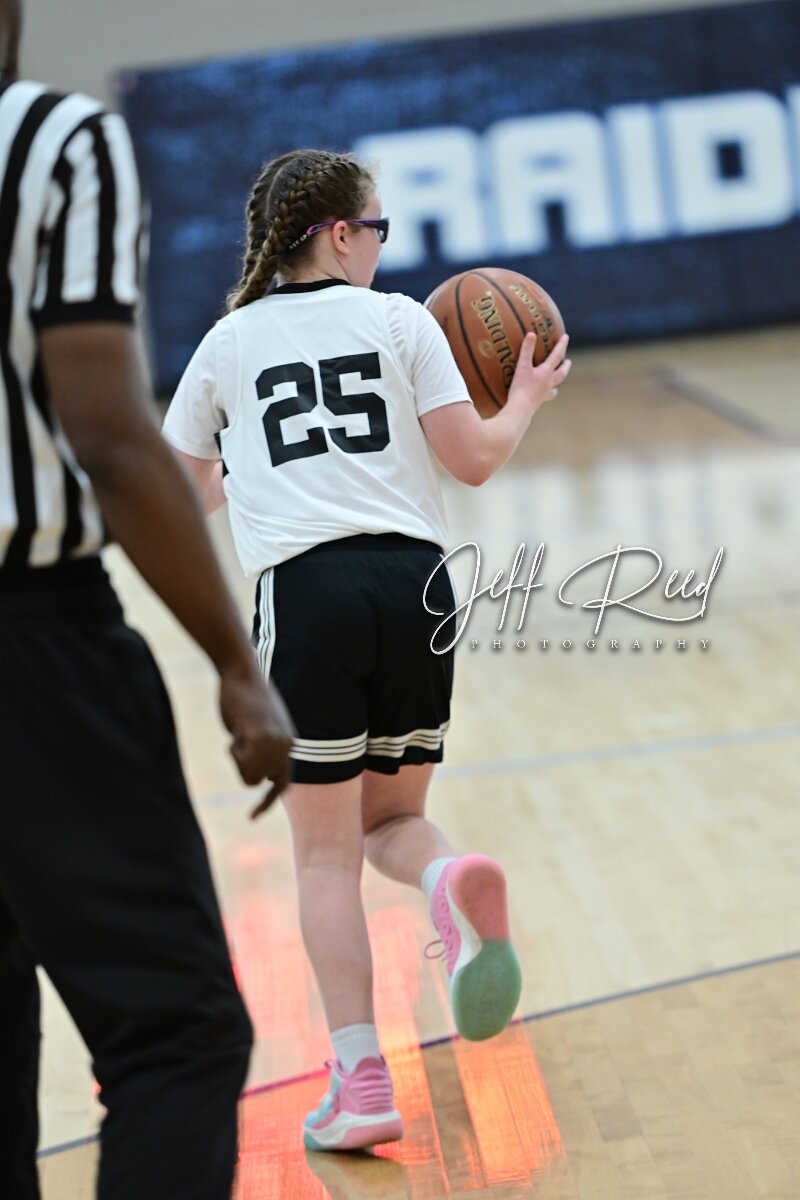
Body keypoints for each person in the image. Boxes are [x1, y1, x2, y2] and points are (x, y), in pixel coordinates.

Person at [164, 148, 571, 1152]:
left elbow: (178, 494)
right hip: (417, 589)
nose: (384, 245)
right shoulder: (400, 322)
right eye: (377, 228)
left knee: (323, 856)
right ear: (339, 235)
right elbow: (471, 462)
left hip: (310, 597)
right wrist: (522, 397)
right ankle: (445, 880)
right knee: (393, 819)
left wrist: (250, 468)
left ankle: (361, 1084)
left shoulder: (226, 341)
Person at [0, 4, 295, 1198]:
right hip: (29, 645)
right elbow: (109, 433)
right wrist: (236, 662)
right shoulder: (55, 139)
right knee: (176, 1032)